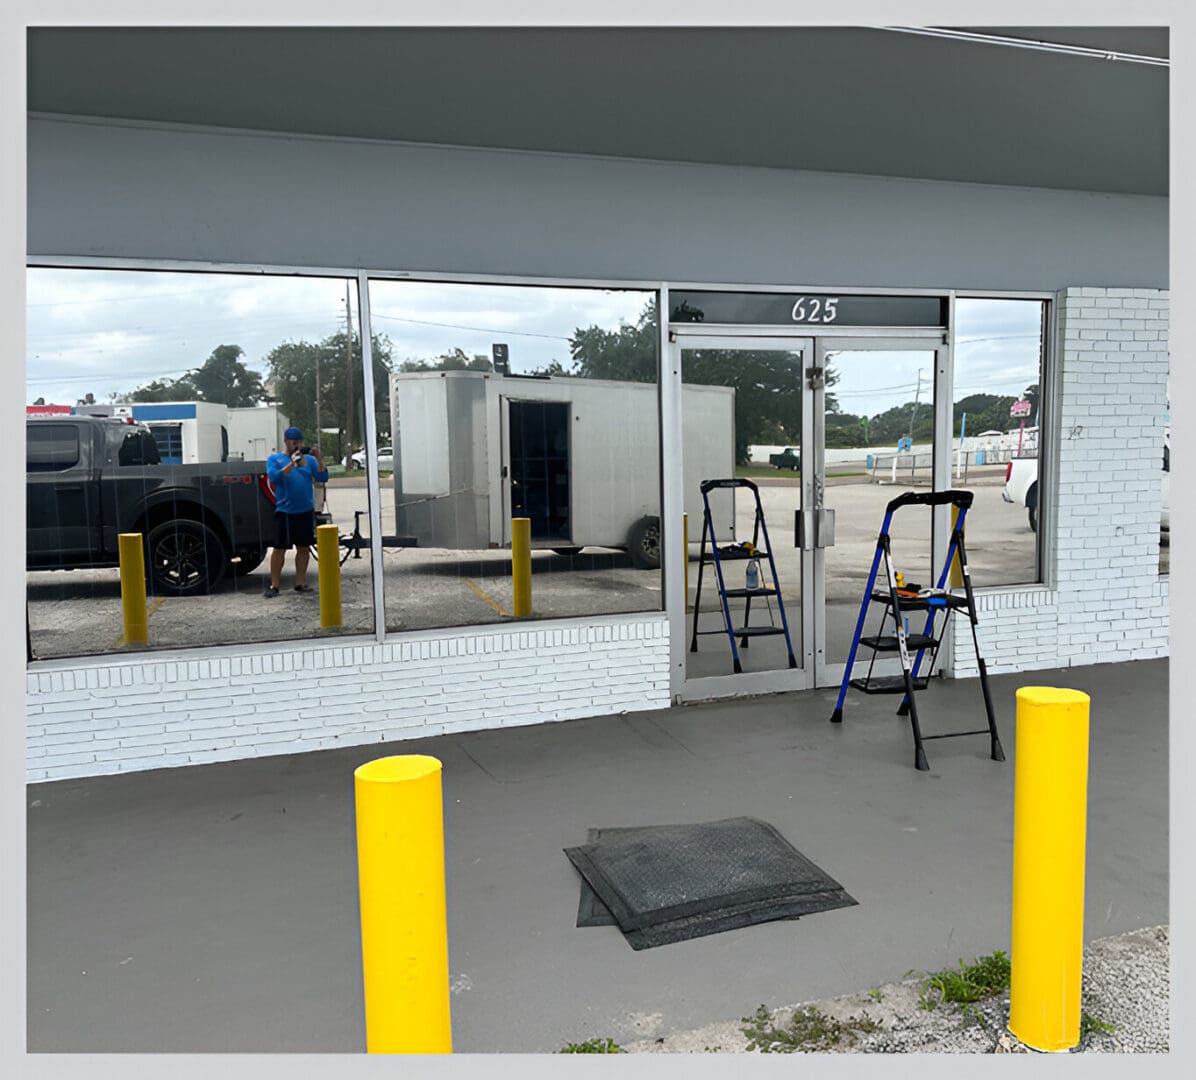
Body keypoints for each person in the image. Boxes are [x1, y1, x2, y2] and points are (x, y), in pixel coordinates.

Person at [264, 427, 329, 597]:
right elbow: (274, 478)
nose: (297, 445)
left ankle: (300, 583)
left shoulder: (308, 460)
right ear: (286, 442)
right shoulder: (275, 459)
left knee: (303, 547)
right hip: (285, 510)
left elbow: (323, 477)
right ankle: (274, 585)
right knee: (279, 548)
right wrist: (291, 464)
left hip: (305, 511)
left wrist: (318, 458)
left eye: (299, 442)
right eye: (294, 442)